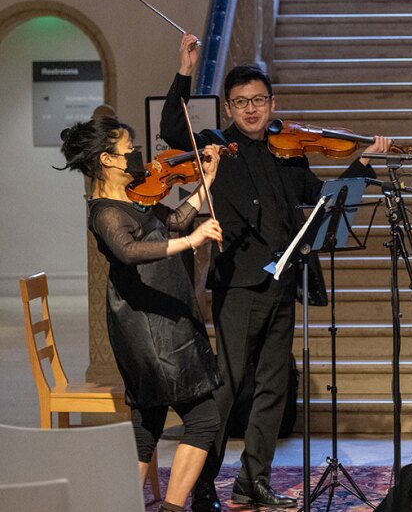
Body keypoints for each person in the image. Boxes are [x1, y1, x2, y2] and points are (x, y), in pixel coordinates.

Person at [160, 33, 393, 510]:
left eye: (259, 100)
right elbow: (171, 128)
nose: (251, 109)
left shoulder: (291, 152)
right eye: (241, 102)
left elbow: (323, 203)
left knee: (273, 385)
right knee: (226, 386)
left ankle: (253, 482)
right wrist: (185, 70)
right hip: (238, 283)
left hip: (283, 280)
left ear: (272, 102)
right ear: (228, 107)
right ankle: (203, 482)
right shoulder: (215, 147)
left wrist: (363, 163)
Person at [58, 117, 224, 512]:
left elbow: (175, 222)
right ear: (107, 159)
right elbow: (129, 252)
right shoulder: (105, 212)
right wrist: (191, 240)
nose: (136, 155)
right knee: (204, 420)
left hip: (159, 322)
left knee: (147, 427)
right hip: (150, 330)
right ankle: (171, 507)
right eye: (128, 148)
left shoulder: (137, 197)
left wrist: (206, 184)